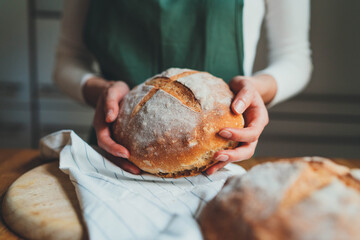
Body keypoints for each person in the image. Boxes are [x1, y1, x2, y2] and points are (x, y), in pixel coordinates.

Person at [53, 0, 312, 175]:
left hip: (219, 160)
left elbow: (295, 58)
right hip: (112, 154)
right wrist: (103, 90)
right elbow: (67, 60)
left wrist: (254, 90)